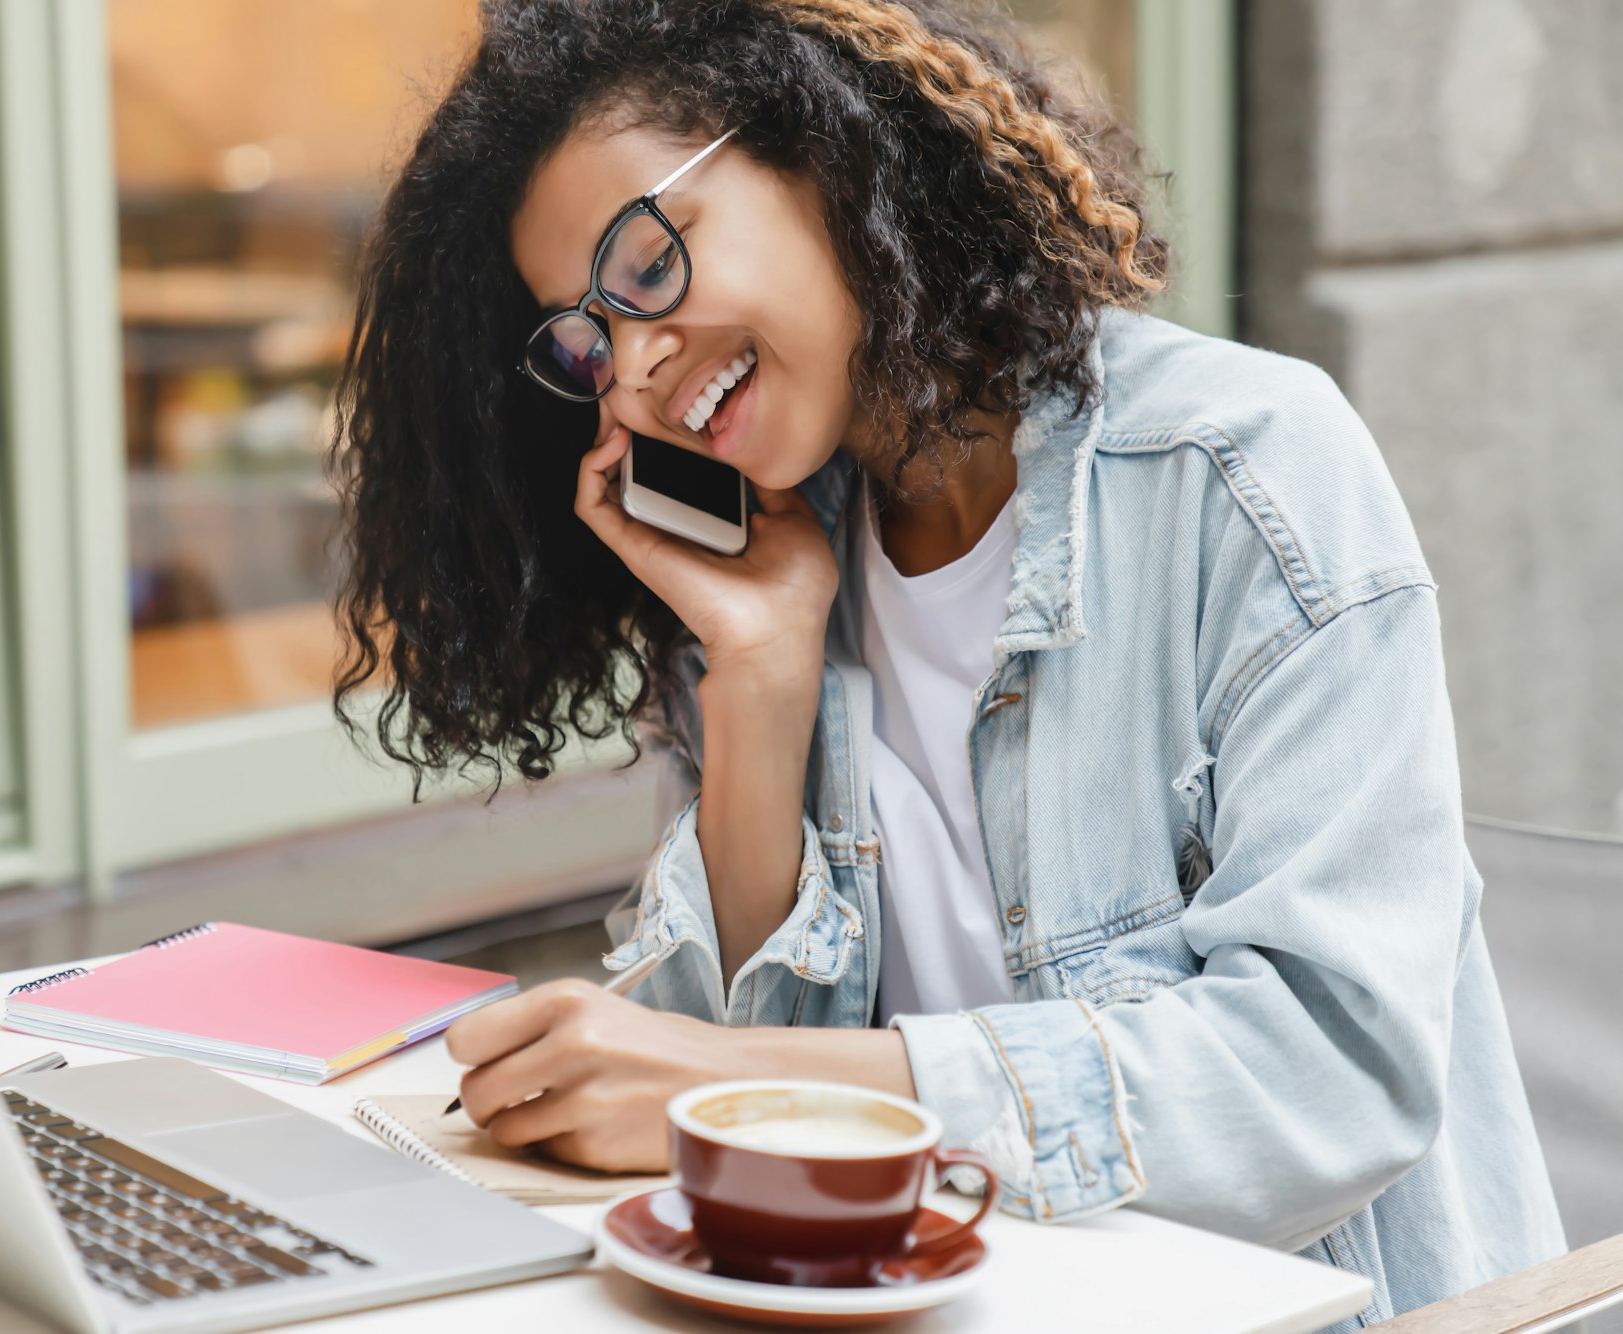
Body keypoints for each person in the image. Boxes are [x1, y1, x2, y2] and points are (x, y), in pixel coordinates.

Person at [326, 0, 1565, 1324]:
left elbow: (1328, 1074)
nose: (634, 367)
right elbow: (698, 1141)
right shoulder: (781, 564)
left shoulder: (1239, 474)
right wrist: (759, 674)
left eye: (645, 266)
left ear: (824, 150)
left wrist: (763, 1089)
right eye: (588, 337)